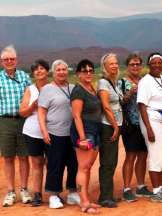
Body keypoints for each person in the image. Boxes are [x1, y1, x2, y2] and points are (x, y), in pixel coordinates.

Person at [38, 59, 79, 209]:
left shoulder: (73, 88)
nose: (62, 72)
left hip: (73, 134)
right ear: (53, 72)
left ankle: (73, 192)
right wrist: (44, 131)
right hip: (55, 133)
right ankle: (54, 195)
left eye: (64, 69)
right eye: (58, 70)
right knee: (55, 164)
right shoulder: (47, 89)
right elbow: (41, 113)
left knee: (74, 164)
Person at [137, 52, 162, 203]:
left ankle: (160, 187)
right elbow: (142, 105)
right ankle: (156, 191)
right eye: (154, 62)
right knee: (156, 154)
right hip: (152, 120)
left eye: (160, 62)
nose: (157, 65)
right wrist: (148, 128)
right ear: (149, 64)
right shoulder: (145, 81)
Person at [0, 45, 32, 207]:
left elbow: (32, 96)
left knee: (24, 155)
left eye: (12, 59)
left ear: (16, 60)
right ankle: (11, 191)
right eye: (6, 59)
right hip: (5, 121)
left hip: (23, 121)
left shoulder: (24, 76)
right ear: (2, 61)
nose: (9, 61)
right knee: (8, 157)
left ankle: (24, 189)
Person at [118, 53, 152, 202]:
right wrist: (130, 93)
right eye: (132, 64)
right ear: (128, 66)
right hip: (130, 124)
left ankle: (140, 186)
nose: (135, 66)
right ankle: (126, 188)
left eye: (138, 64)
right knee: (130, 155)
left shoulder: (145, 81)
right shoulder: (122, 82)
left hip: (145, 123)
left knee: (143, 155)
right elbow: (119, 102)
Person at [70, 59, 102, 213]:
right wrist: (82, 138)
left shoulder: (91, 88)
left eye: (90, 70)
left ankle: (86, 200)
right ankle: (83, 203)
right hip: (85, 131)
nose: (88, 73)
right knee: (83, 168)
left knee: (88, 167)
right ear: (78, 74)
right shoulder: (78, 90)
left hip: (95, 130)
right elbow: (76, 116)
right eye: (84, 71)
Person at [20, 59, 49, 207]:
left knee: (52, 163)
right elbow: (22, 111)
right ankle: (37, 194)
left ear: (47, 71)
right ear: (33, 73)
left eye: (42, 68)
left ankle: (53, 193)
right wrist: (33, 105)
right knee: (37, 163)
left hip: (52, 132)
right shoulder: (30, 90)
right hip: (33, 132)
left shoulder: (53, 87)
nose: (38, 71)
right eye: (35, 69)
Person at [97, 53, 123, 208]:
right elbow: (106, 106)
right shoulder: (103, 83)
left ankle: (109, 194)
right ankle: (104, 197)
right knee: (107, 161)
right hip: (107, 126)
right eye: (111, 63)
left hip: (115, 125)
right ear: (104, 67)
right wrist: (114, 126)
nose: (114, 65)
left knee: (112, 161)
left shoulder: (116, 82)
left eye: (116, 63)